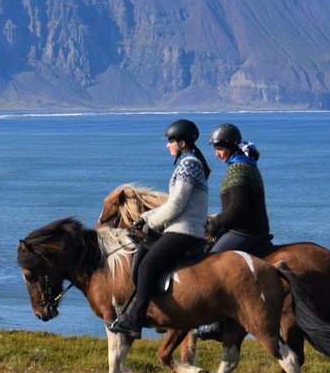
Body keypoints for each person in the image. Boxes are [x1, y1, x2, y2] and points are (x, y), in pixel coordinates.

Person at [109, 119, 210, 339]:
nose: (167, 145)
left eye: (171, 141)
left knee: (146, 267)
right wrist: (145, 217)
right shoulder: (187, 162)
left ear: (182, 143)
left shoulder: (189, 164)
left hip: (184, 230)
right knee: (142, 254)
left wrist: (150, 223)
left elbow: (176, 205)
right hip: (178, 227)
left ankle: (135, 320)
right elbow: (171, 203)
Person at [205, 122, 274, 257]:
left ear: (231, 147)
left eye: (219, 149)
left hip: (245, 231)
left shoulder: (238, 168)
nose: (216, 154)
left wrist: (215, 223)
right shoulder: (248, 164)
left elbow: (238, 207)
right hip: (248, 228)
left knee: (211, 260)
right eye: (215, 149)